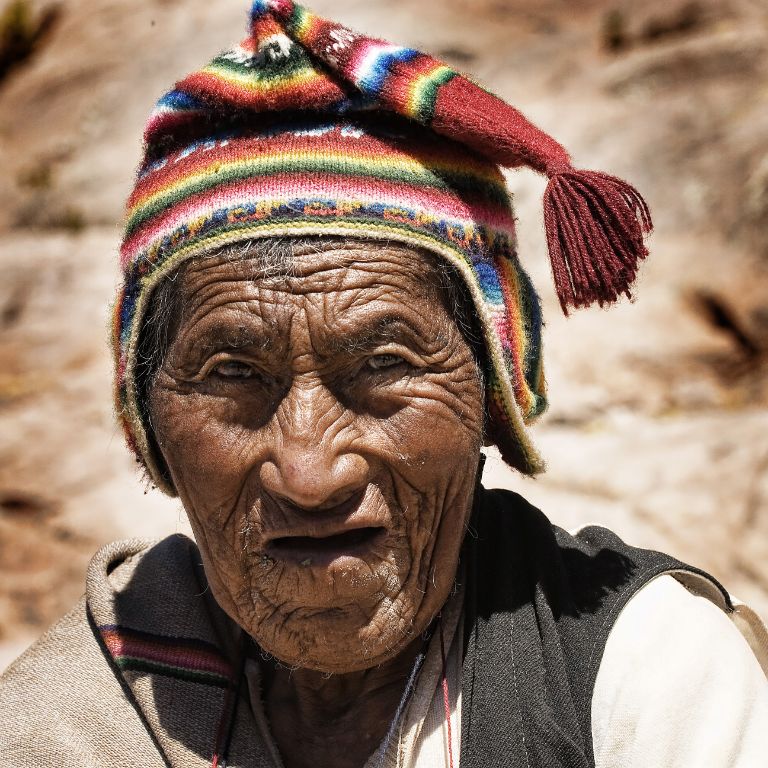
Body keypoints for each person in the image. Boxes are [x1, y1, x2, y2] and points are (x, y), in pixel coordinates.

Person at [1, 2, 767, 766]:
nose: (310, 474)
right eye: (231, 375)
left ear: (492, 396)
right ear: (147, 424)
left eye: (386, 366)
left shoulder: (648, 679)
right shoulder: (69, 716)